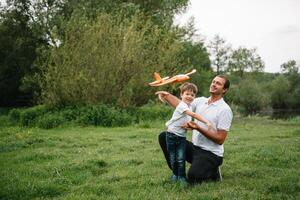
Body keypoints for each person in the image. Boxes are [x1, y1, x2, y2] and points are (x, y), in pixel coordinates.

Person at [156, 75, 233, 184]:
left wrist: (198, 128)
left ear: (224, 90)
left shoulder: (224, 109)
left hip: (211, 154)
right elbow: (182, 106)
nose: (214, 84)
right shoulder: (201, 101)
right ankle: (177, 173)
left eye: (218, 83)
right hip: (195, 148)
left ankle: (214, 171)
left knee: (193, 177)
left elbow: (220, 139)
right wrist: (166, 95)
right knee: (165, 136)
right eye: (213, 81)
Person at [161, 82, 212, 185]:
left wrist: (188, 127)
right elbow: (193, 114)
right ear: (181, 95)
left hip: (181, 138)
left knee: (180, 158)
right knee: (172, 158)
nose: (189, 96)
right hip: (171, 136)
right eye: (187, 94)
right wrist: (206, 121)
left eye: (192, 95)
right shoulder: (182, 105)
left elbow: (185, 122)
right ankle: (175, 175)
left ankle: (182, 177)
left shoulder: (188, 107)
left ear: (195, 96)